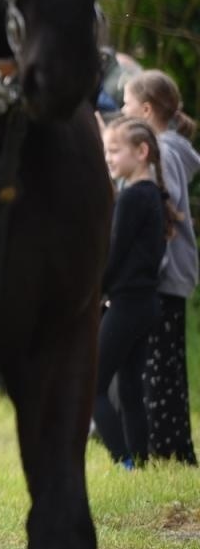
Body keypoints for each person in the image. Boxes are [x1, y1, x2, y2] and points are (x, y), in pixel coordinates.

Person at [94, 117, 182, 468]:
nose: (108, 158)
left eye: (114, 150)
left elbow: (113, 254)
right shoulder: (152, 195)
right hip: (146, 304)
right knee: (129, 386)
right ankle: (141, 463)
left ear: (142, 152)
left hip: (128, 304)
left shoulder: (133, 197)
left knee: (92, 387)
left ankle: (124, 460)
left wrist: (94, 290)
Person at [123, 70, 199, 464]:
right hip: (173, 275)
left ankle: (162, 448)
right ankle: (173, 449)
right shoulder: (175, 149)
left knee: (156, 370)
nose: (122, 109)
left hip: (163, 275)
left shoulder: (163, 153)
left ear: (146, 109)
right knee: (166, 368)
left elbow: (161, 220)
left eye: (127, 102)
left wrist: (149, 273)